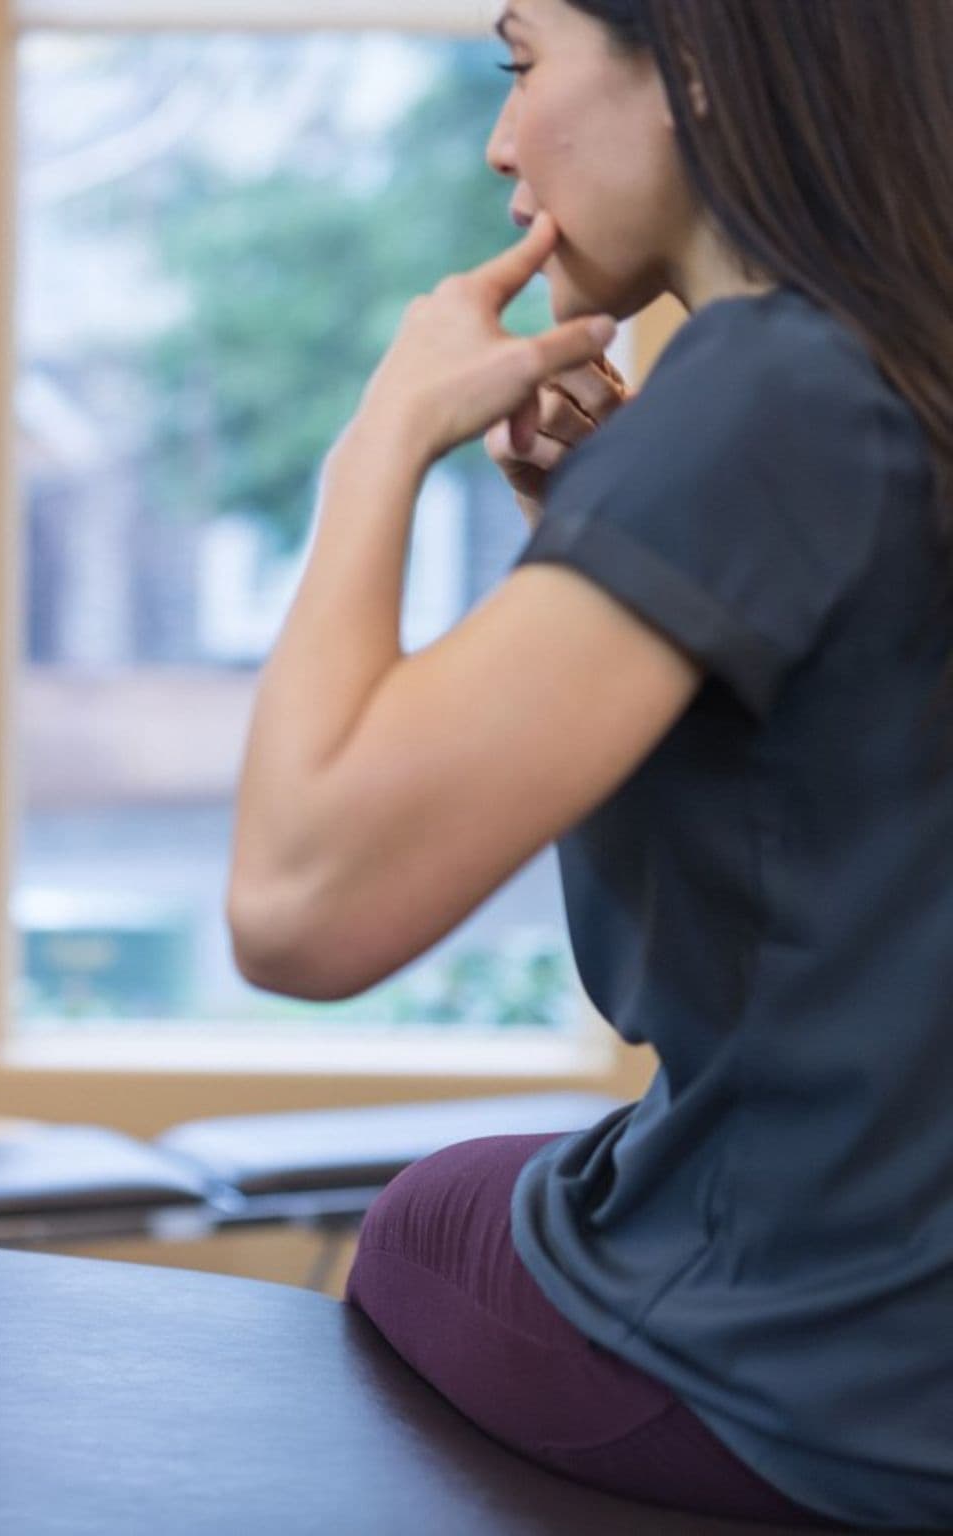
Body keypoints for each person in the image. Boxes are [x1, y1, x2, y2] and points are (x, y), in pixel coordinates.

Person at [224, 0, 953, 1526]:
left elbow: (298, 906)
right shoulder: (893, 368)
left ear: (692, 63)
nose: (502, 143)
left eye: (521, 61)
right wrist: (600, 524)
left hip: (820, 1373)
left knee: (424, 1216)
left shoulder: (767, 389)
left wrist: (381, 441)